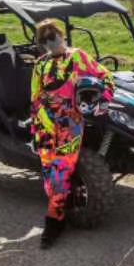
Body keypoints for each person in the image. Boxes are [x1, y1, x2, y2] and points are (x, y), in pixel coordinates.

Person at [29, 18, 112, 248]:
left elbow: (105, 78)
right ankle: (61, 210)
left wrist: (99, 104)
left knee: (58, 175)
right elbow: (35, 98)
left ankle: (54, 223)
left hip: (68, 128)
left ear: (62, 35)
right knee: (49, 179)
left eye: (53, 35)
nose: (50, 41)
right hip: (45, 130)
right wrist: (35, 129)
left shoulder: (78, 57)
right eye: (44, 38)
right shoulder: (40, 65)